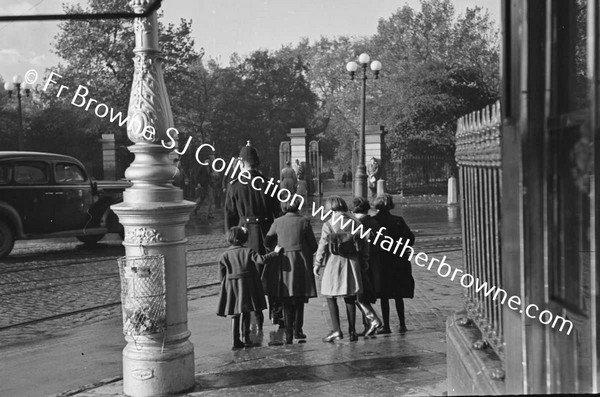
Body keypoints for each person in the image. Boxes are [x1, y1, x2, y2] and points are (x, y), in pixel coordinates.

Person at [225, 141, 281, 330]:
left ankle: (253, 316)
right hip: (267, 233)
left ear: (241, 163)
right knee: (272, 273)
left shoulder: (234, 186)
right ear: (257, 163)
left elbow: (230, 216)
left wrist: (232, 240)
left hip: (244, 235)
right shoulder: (269, 184)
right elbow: (277, 213)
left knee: (249, 276)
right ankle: (276, 312)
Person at [313, 196, 369, 343]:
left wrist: (317, 264)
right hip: (352, 263)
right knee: (350, 296)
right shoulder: (356, 222)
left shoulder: (329, 224)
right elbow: (365, 244)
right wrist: (364, 261)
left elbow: (323, 246)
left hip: (333, 262)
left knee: (330, 295)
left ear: (330, 208)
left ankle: (337, 330)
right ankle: (352, 331)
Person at [263, 196, 318, 343]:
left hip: (284, 263)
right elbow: (314, 246)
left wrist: (277, 248)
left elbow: (267, 241)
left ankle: (288, 332)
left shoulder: (277, 222)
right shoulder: (304, 221)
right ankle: (298, 330)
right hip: (300, 263)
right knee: (299, 298)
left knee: (286, 298)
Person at [217, 226, 281, 349]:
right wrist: (275, 253)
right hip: (246, 286)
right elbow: (262, 260)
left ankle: (235, 340)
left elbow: (221, 276)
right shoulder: (248, 251)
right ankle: (246, 338)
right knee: (246, 311)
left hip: (232, 287)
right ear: (244, 239)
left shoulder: (224, 255)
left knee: (235, 313)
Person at [372, 193, 415, 334]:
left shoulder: (374, 221)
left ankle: (386, 326)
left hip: (382, 260)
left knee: (384, 295)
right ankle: (402, 324)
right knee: (398, 294)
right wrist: (403, 248)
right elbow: (410, 237)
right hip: (398, 260)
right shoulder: (398, 220)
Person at [350, 197, 384, 336]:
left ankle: (372, 321)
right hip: (376, 261)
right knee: (365, 294)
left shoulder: (356, 224)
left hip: (362, 262)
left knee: (359, 294)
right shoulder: (375, 222)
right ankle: (369, 325)